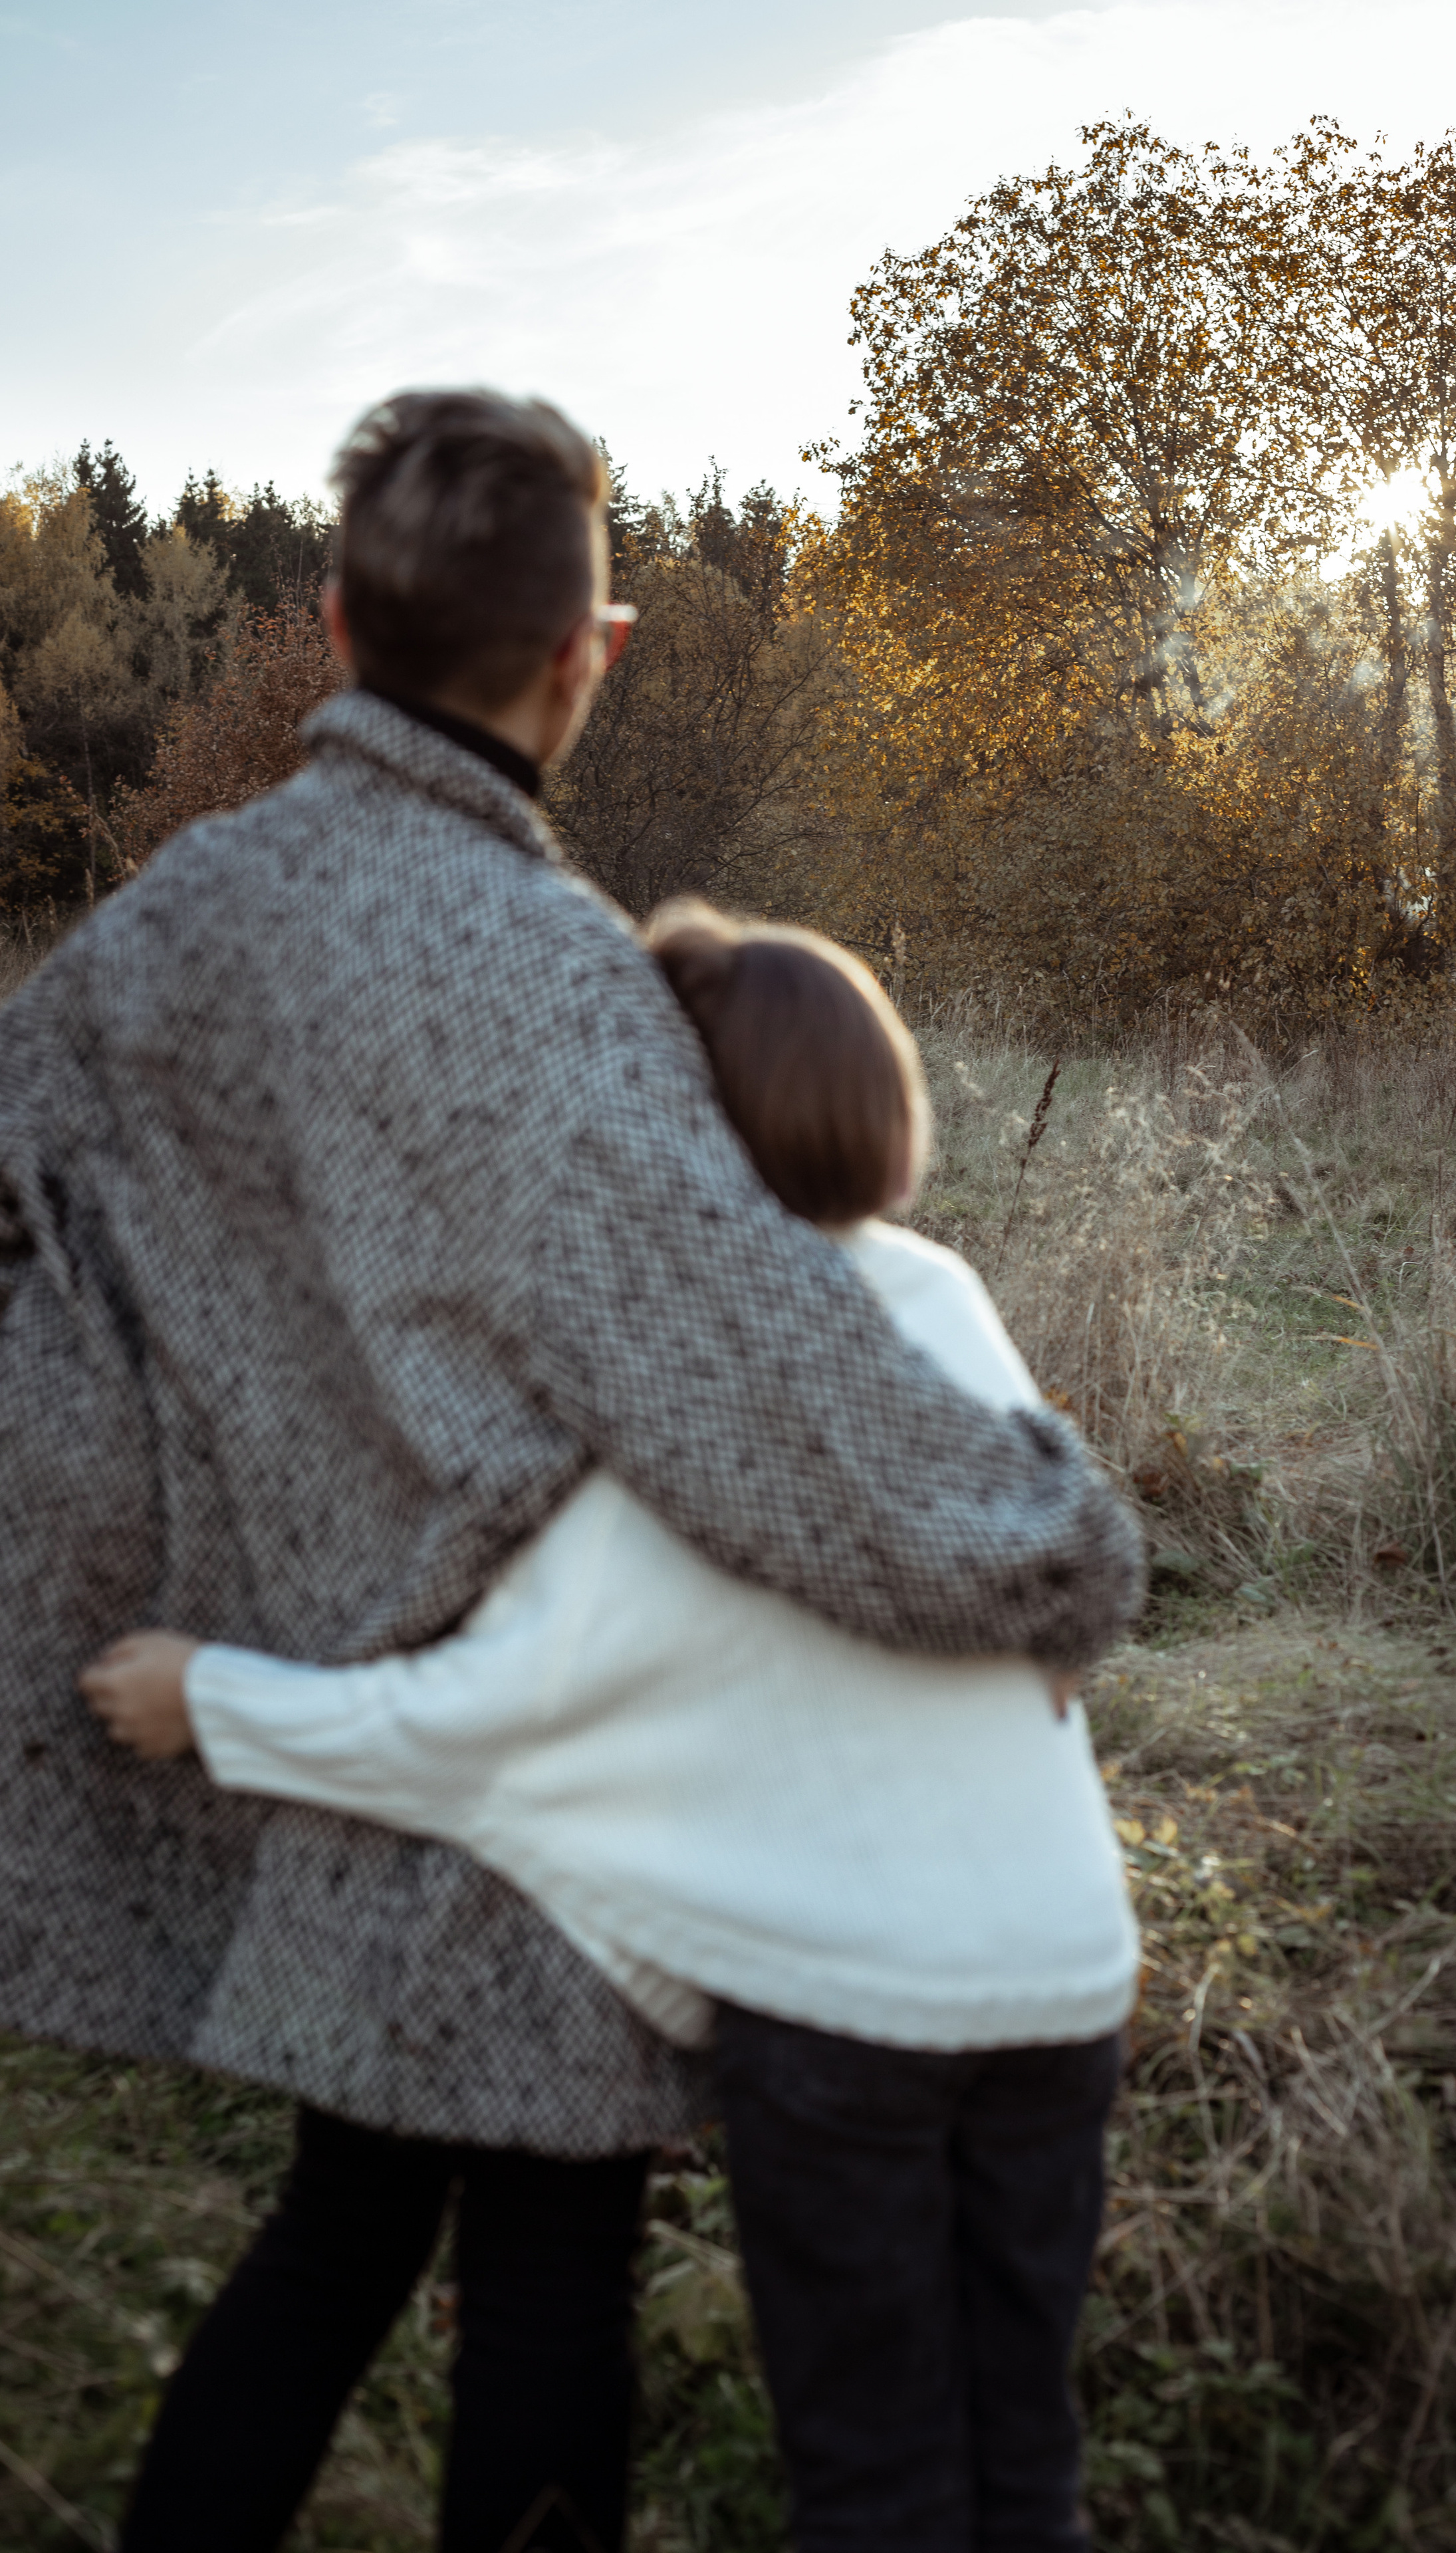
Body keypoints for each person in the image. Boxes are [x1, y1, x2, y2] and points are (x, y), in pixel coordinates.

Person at [0, 391, 1143, 2553]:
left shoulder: (173, 918)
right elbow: (751, 1373)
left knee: (332, 2244)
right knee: (542, 2264)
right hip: (533, 1735)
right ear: (586, 655)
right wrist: (1051, 1547)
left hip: (312, 1710)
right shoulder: (554, 983)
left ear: (333, 623)